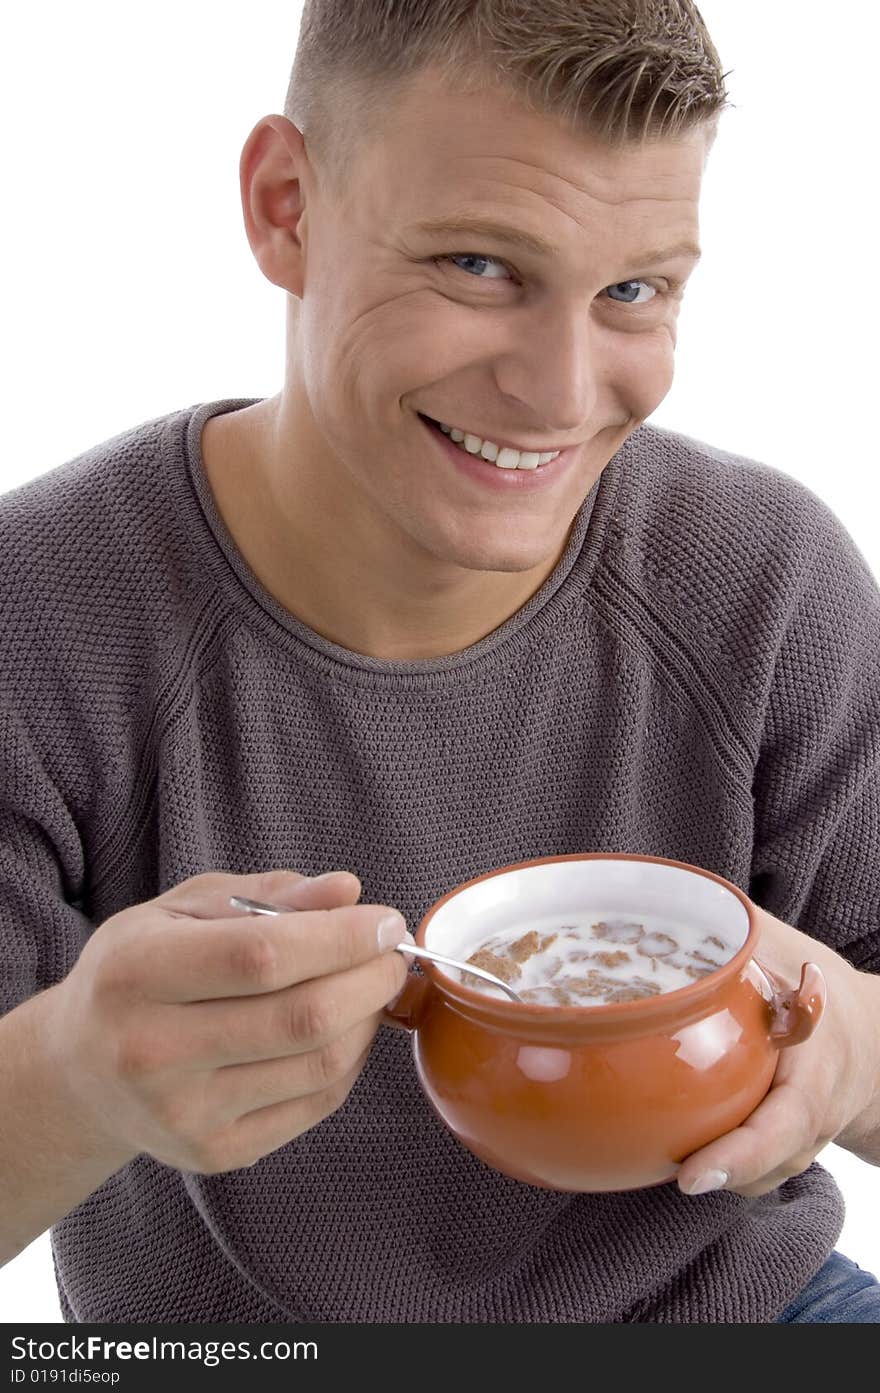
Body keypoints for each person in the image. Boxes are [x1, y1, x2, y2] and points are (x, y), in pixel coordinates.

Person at [1, 0, 878, 1325]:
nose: (563, 391)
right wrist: (71, 1076)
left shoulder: (767, 580)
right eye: (479, 265)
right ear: (286, 207)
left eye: (633, 289)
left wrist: (850, 1058)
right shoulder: (41, 614)